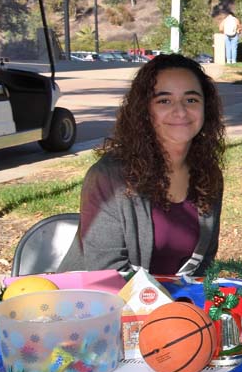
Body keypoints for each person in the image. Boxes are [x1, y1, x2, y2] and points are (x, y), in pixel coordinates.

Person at [60, 54, 225, 277]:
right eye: (164, 100)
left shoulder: (208, 175)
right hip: (95, 296)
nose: (180, 111)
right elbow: (109, 273)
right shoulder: (108, 177)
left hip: (171, 298)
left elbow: (203, 264)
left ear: (206, 107)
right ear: (145, 111)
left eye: (191, 100)